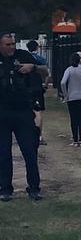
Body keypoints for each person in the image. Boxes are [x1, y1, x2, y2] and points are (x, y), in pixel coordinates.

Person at [0, 32, 42, 201]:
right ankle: (5, 189)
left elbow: (45, 71)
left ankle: (34, 188)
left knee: (29, 151)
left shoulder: (23, 56)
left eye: (13, 44)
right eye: (7, 44)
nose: (11, 47)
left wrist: (32, 67)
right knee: (3, 153)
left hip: (23, 111)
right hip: (2, 111)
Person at [26, 40, 49, 146]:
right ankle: (39, 136)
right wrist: (45, 84)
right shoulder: (41, 60)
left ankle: (28, 134)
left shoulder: (25, 59)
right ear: (37, 48)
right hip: (38, 87)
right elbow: (47, 73)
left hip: (27, 87)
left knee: (27, 111)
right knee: (38, 111)